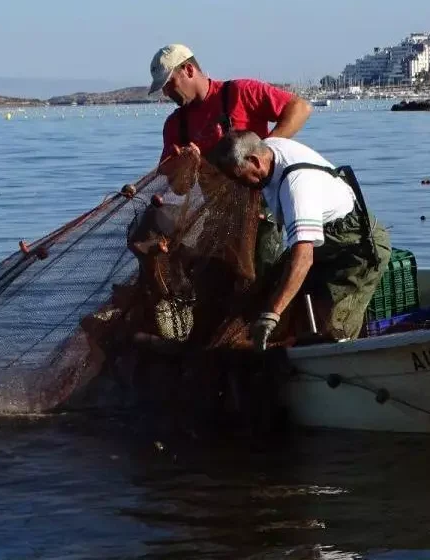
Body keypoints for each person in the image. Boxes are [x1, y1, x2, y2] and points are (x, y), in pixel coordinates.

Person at [204, 131, 392, 349]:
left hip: (355, 249)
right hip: (325, 240)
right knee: (263, 293)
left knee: (331, 333)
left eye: (238, 176)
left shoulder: (297, 187)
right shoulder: (268, 148)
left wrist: (272, 315)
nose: (239, 184)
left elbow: (303, 259)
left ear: (254, 161)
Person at [147, 43, 312, 279]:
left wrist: (264, 149)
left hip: (260, 210)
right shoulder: (175, 126)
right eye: (162, 88)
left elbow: (301, 108)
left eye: (169, 84)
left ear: (189, 70)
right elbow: (179, 188)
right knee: (211, 279)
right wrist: (187, 165)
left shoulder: (240, 92)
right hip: (218, 215)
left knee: (262, 277)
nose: (166, 93)